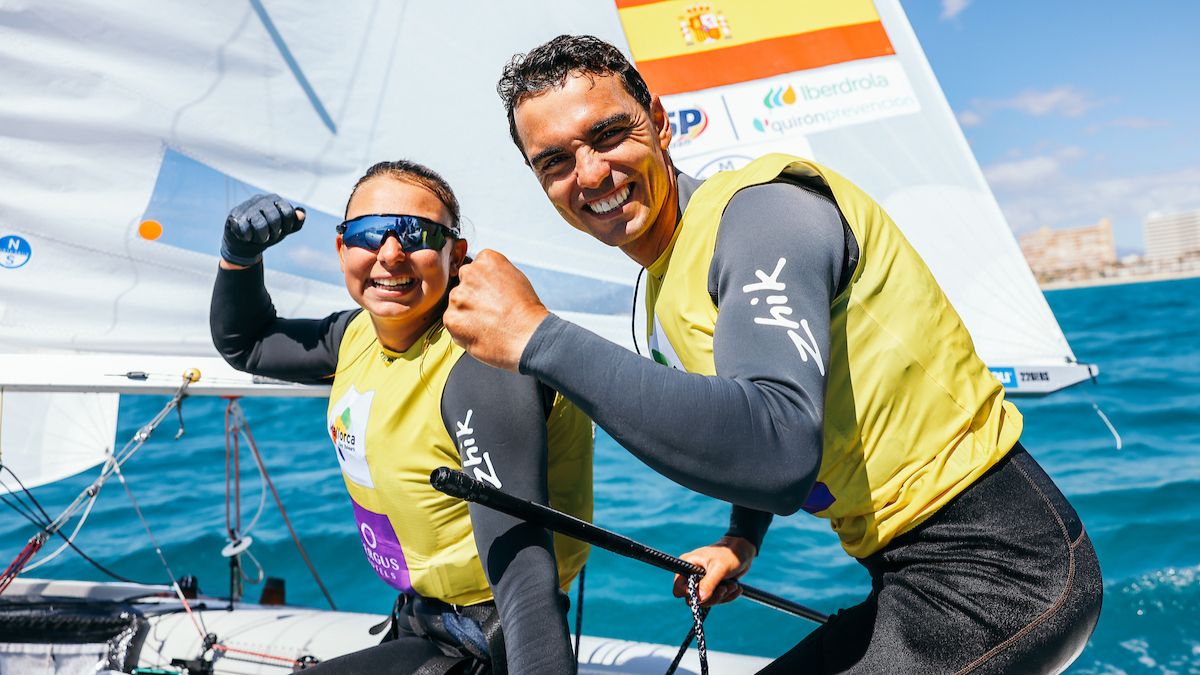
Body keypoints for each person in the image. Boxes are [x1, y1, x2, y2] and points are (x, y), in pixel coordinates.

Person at [441, 35, 1103, 673]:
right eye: (554, 161)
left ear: (660, 123)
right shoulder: (669, 279)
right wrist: (742, 538)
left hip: (1006, 570)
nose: (590, 173)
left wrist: (539, 338)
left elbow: (779, 445)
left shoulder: (763, 215)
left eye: (610, 133)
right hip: (910, 573)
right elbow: (759, 400)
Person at [210, 160, 592, 674]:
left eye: (417, 234)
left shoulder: (480, 365)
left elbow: (523, 577)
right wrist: (239, 255)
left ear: (455, 255)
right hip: (423, 617)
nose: (390, 254)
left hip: (486, 639)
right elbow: (248, 344)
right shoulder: (357, 336)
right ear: (342, 249)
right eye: (368, 234)